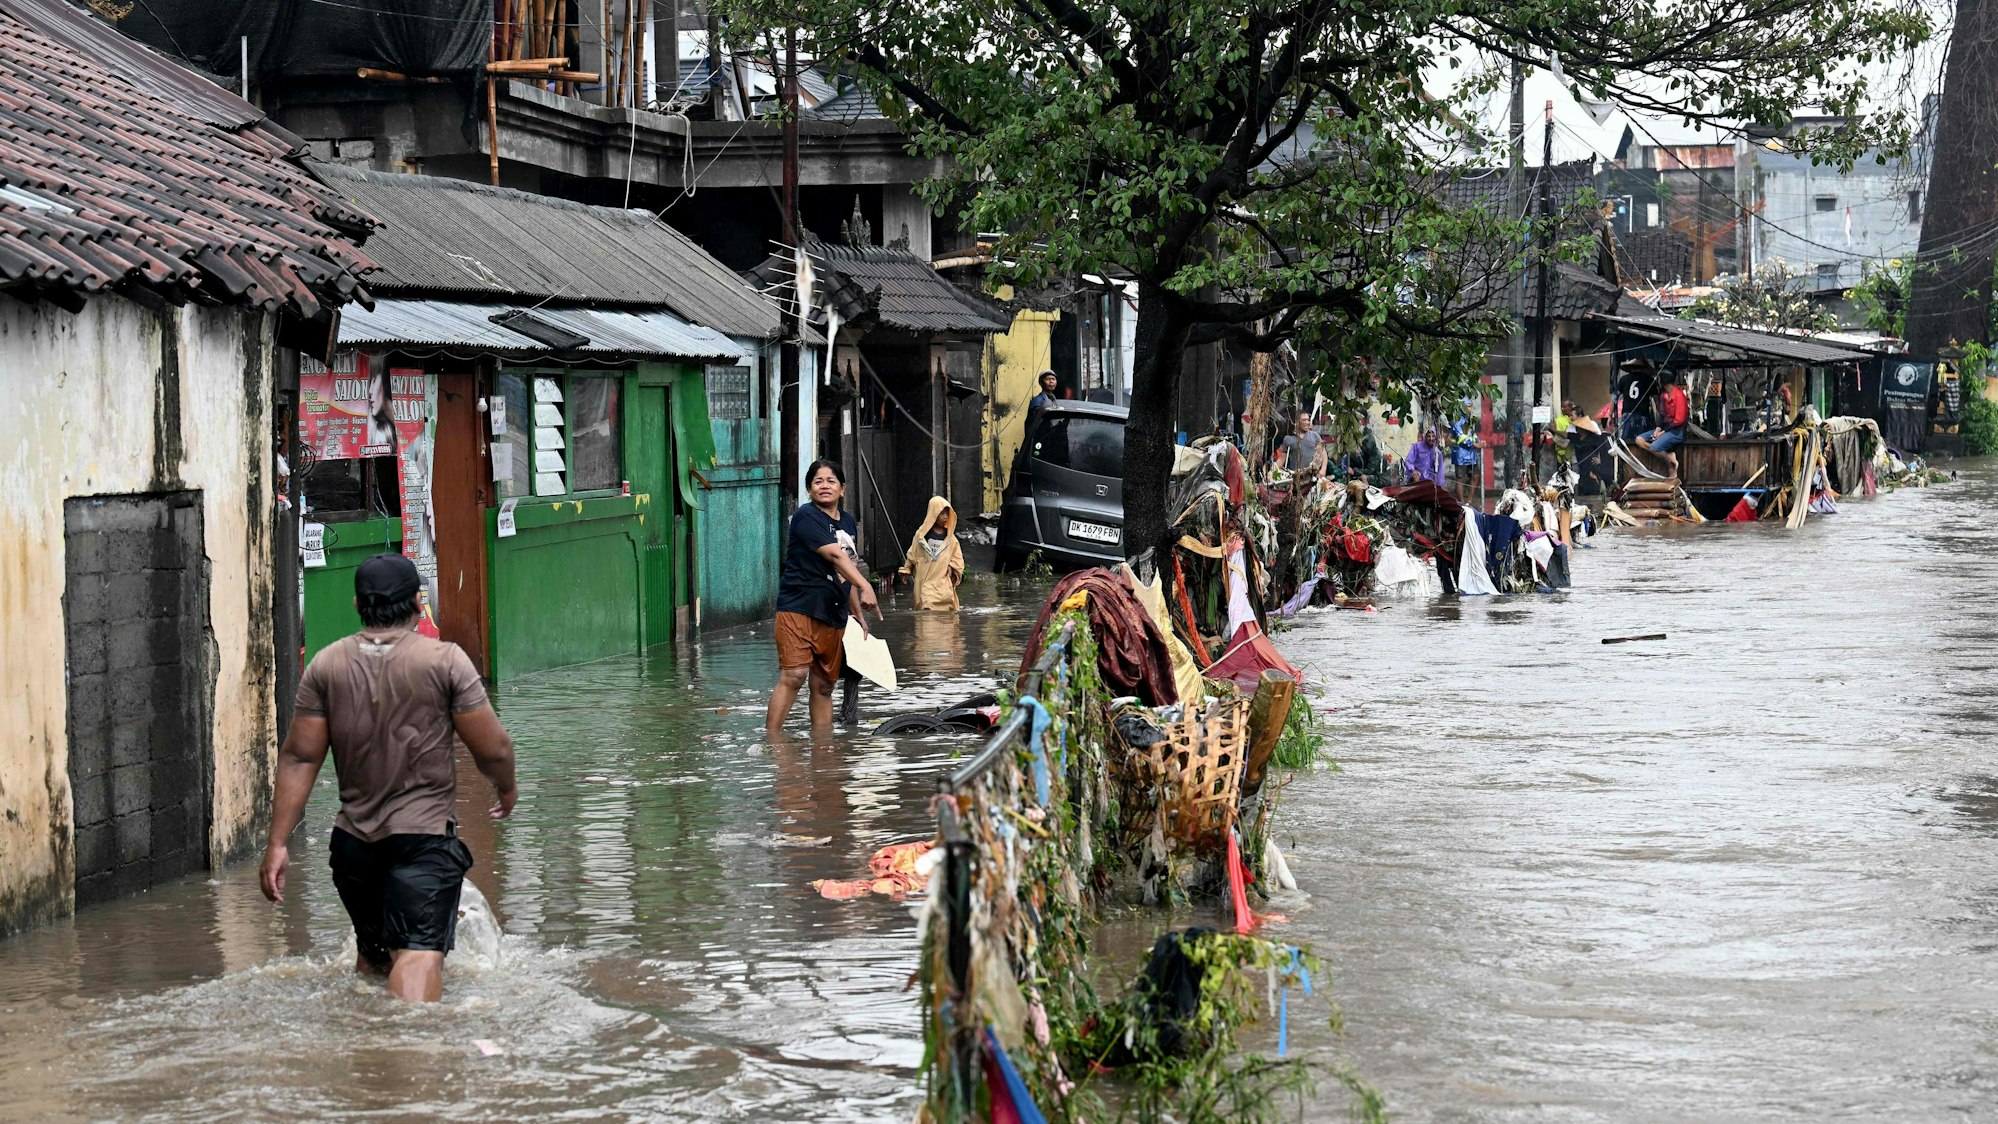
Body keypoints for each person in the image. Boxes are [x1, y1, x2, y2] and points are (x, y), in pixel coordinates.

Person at [259, 552, 516, 1003]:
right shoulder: (446, 662)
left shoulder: (326, 665)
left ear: (358, 605)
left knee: (376, 960)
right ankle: (404, 1057)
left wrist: (278, 843)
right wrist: (507, 787)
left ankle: (365, 1055)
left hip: (354, 850)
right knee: (418, 955)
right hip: (422, 843)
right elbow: (493, 748)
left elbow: (299, 757)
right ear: (419, 603)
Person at [768, 460, 880, 731]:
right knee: (794, 675)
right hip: (799, 608)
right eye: (818, 481)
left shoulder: (848, 522)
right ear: (810, 490)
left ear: (843, 489)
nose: (825, 485)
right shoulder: (807, 516)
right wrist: (867, 586)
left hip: (833, 614)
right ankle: (772, 742)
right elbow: (834, 555)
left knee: (824, 684)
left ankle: (823, 749)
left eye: (831, 481)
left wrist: (856, 612)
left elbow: (846, 569)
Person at [899, 496, 965, 611]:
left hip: (943, 583)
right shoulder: (921, 535)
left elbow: (957, 558)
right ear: (933, 514)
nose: (945, 517)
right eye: (941, 513)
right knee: (927, 607)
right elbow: (913, 553)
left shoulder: (950, 539)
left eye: (947, 514)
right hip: (926, 581)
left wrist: (952, 566)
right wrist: (907, 569)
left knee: (946, 617)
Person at [1636, 372, 1690, 475]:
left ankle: (1670, 463)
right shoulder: (1664, 395)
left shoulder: (1679, 396)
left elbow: (1679, 421)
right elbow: (1662, 415)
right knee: (1639, 440)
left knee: (1654, 447)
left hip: (1676, 432)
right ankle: (1668, 456)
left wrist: (1662, 433)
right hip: (1665, 429)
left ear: (1663, 381)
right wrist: (1658, 429)